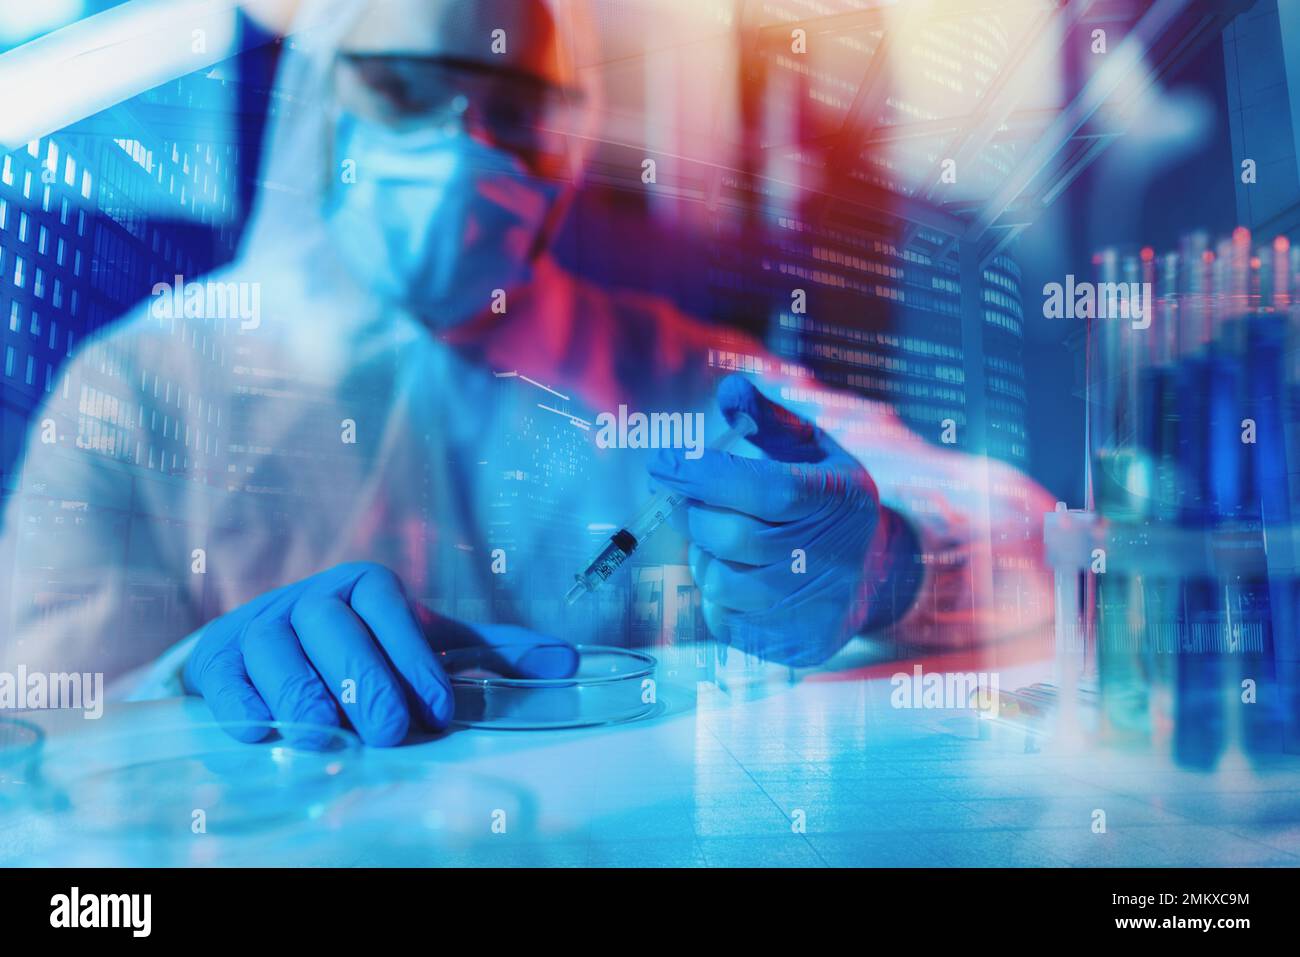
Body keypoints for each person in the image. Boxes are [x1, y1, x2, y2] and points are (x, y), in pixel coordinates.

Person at [0, 0, 1055, 746]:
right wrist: (195, 683)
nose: (466, 143)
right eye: (409, 88)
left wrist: (888, 562)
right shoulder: (138, 387)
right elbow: (33, 742)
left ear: (572, 127)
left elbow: (1041, 545)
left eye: (511, 105)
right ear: (325, 99)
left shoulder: (671, 373)